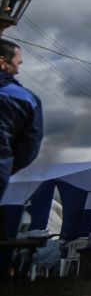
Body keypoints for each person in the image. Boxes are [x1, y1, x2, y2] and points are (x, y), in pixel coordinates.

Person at [0, 38, 44, 201]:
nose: (18, 70)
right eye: (18, 63)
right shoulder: (26, 99)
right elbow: (30, 145)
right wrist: (6, 165)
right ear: (3, 61)